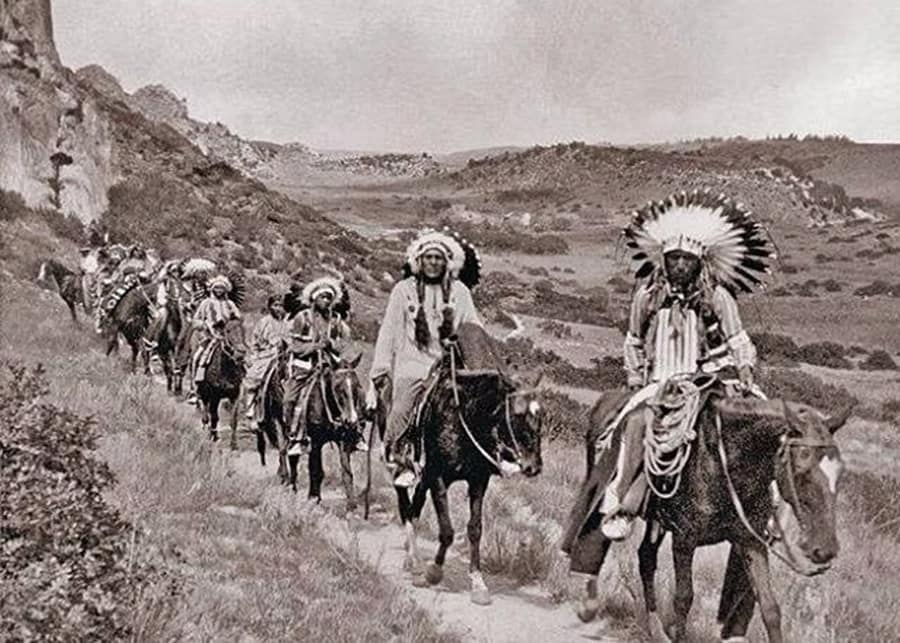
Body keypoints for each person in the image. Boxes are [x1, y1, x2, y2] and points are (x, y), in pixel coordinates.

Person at [596, 190, 774, 540]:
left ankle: (766, 505)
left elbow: (738, 339)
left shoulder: (718, 297)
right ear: (662, 260)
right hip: (659, 381)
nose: (679, 265)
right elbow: (633, 338)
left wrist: (744, 372)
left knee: (764, 421)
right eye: (673, 258)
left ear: (699, 263)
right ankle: (620, 496)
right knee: (632, 423)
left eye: (686, 260)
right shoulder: (647, 296)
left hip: (709, 378)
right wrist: (635, 378)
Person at [366, 229, 483, 488]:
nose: (433, 262)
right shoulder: (402, 290)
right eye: (428, 257)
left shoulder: (460, 291)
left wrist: (480, 363)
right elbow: (388, 332)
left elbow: (474, 328)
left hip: (449, 364)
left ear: (447, 263)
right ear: (419, 261)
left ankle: (484, 456)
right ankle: (399, 456)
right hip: (413, 364)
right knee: (401, 409)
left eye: (439, 258)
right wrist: (381, 370)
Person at [282, 277, 351, 453]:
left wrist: (330, 344)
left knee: (350, 389)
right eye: (323, 297)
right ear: (314, 298)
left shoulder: (336, 320)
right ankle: (294, 436)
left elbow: (342, 345)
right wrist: (313, 347)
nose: (326, 301)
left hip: (330, 366)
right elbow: (294, 346)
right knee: (290, 398)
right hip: (305, 367)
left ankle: (354, 432)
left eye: (329, 298)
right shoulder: (302, 318)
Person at [187, 274, 242, 403]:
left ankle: (241, 386)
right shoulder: (205, 303)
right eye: (216, 288)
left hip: (228, 337)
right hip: (209, 337)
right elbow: (196, 320)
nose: (219, 290)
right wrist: (206, 325)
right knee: (197, 358)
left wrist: (229, 325)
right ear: (212, 289)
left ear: (226, 290)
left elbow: (238, 318)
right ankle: (194, 389)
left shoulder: (230, 304)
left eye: (221, 288)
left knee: (241, 358)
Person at [242, 295, 288, 422]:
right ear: (270, 307)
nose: (278, 309)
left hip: (284, 355)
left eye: (281, 306)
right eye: (275, 305)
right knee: (256, 376)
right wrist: (258, 352)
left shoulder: (286, 323)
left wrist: (285, 343)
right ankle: (251, 404)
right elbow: (255, 341)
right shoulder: (264, 322)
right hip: (266, 354)